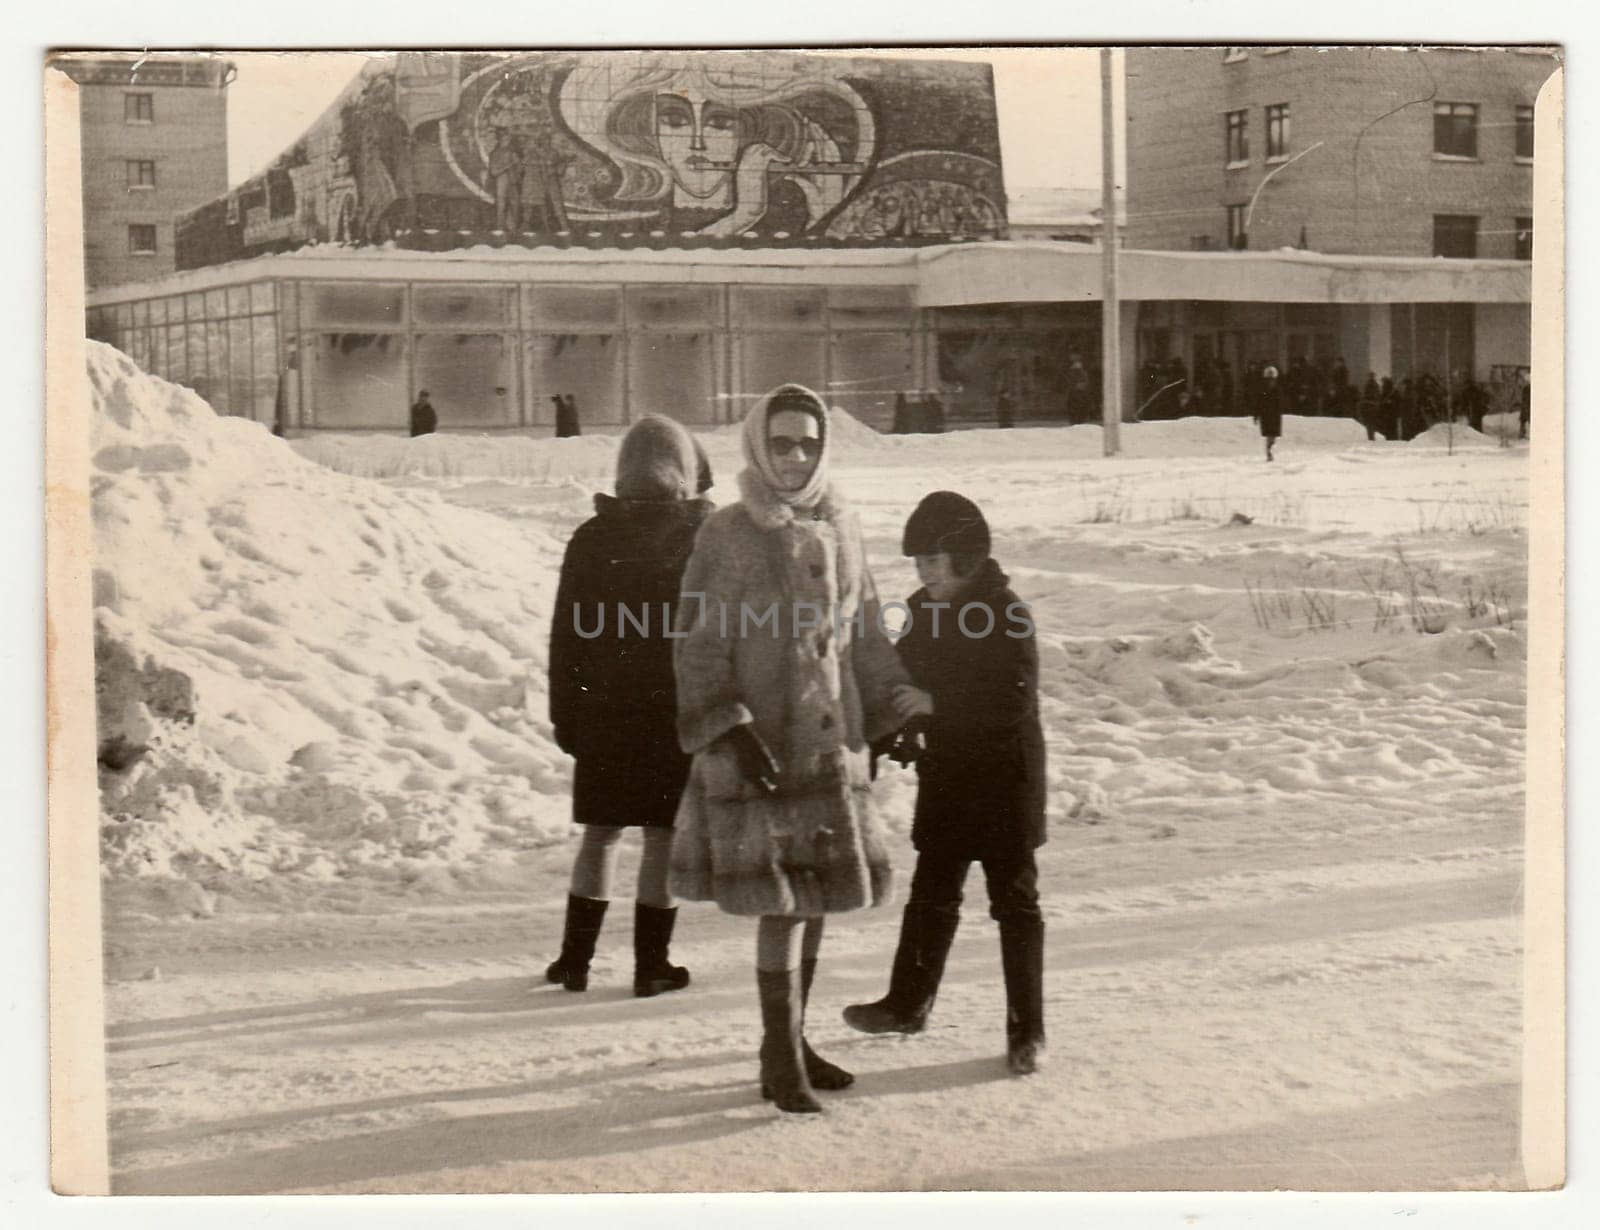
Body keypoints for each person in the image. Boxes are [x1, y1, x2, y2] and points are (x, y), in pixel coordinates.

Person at [669, 384, 910, 1114]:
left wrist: (894, 704)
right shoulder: (730, 533)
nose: (796, 456)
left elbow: (863, 628)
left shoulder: (843, 522)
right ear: (757, 445)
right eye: (782, 443)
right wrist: (730, 728)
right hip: (764, 746)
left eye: (808, 442)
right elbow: (697, 644)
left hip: (830, 746)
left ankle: (797, 1039)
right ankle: (778, 1056)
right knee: (782, 903)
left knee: (817, 899)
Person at [843, 492, 1048, 1076]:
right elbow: (899, 684)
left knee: (1015, 904)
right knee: (931, 895)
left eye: (936, 558)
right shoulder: (922, 611)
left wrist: (938, 702)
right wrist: (888, 734)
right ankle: (906, 1003)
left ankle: (1026, 1030)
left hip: (1006, 780)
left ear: (968, 555)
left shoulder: (1006, 610)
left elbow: (1014, 698)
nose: (926, 571)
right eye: (918, 560)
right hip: (950, 779)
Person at [546, 416, 714, 997]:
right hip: (673, 715)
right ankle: (652, 966)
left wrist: (566, 715)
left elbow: (566, 638)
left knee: (601, 835)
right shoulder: (699, 537)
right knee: (663, 838)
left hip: (603, 714)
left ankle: (574, 961)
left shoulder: (593, 537)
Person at [1255, 365, 1283, 461]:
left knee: (1273, 435)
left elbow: (1280, 402)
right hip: (1266, 414)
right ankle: (1269, 451)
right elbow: (1258, 402)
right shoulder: (1262, 389)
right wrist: (1256, 414)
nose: (1270, 381)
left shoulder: (1278, 389)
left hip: (1274, 415)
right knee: (1269, 434)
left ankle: (1269, 450)